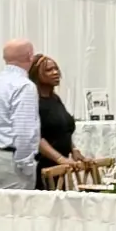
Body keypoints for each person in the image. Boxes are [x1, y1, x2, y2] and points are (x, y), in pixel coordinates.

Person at [0, 39, 40, 189]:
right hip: (12, 161)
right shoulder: (24, 86)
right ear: (30, 56)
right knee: (17, 210)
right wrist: (26, 164)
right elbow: (24, 130)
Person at [31, 53, 84, 189]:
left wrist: (73, 150)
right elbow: (37, 138)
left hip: (59, 165)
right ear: (37, 74)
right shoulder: (33, 102)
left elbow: (63, 129)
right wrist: (60, 159)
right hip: (43, 166)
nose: (55, 72)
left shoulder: (55, 99)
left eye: (56, 69)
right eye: (48, 70)